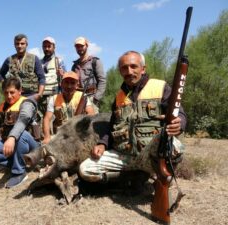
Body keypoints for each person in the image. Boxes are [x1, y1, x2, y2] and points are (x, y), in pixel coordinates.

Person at [79, 51, 186, 185]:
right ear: (120, 71)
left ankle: (158, 174)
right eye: (124, 68)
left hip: (150, 156)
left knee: (176, 146)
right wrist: (103, 143)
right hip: (124, 156)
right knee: (85, 169)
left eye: (133, 66)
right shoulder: (119, 97)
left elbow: (178, 112)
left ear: (143, 69)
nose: (129, 71)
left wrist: (179, 123)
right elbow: (112, 125)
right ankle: (133, 177)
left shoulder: (160, 87)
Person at [0, 77, 40, 188]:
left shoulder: (27, 103)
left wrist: (11, 138)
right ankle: (17, 163)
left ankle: (19, 172)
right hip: (9, 142)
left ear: (20, 91)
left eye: (12, 92)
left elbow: (23, 120)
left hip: (31, 146)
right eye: (6, 93)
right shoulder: (3, 106)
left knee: (22, 134)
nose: (9, 96)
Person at [42, 71, 95, 144]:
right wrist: (47, 137)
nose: (69, 86)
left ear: (77, 85)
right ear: (61, 84)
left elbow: (91, 114)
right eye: (66, 82)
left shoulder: (83, 97)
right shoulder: (54, 98)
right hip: (60, 135)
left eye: (72, 83)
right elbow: (47, 119)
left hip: (78, 134)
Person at [0, 33, 46, 102]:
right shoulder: (9, 59)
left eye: (22, 43)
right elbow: (0, 74)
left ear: (26, 44)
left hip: (31, 95)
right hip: (14, 97)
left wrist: (39, 94)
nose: (19, 46)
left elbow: (42, 77)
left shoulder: (34, 58)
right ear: (14, 45)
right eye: (17, 44)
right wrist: (6, 87)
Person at [71, 36, 107, 114]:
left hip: (92, 97)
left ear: (86, 46)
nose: (79, 48)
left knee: (92, 123)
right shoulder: (74, 66)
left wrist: (96, 98)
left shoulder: (95, 61)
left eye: (81, 46)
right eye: (77, 46)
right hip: (78, 99)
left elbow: (102, 81)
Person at [38, 36, 66, 117]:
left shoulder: (59, 61)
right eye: (44, 46)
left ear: (54, 47)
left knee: (56, 121)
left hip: (55, 97)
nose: (46, 48)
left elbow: (66, 78)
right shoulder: (38, 62)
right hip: (41, 98)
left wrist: (63, 74)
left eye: (49, 46)